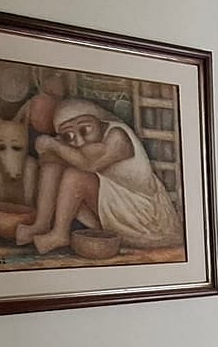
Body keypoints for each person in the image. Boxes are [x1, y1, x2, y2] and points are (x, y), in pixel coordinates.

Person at [16, 99, 182, 255]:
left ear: (99, 121)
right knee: (54, 166)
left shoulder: (117, 135)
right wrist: (50, 148)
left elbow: (90, 165)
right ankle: (42, 224)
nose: (79, 141)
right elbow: (50, 160)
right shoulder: (87, 143)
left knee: (75, 176)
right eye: (69, 136)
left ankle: (60, 233)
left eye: (85, 130)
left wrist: (54, 145)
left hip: (141, 214)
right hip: (115, 203)